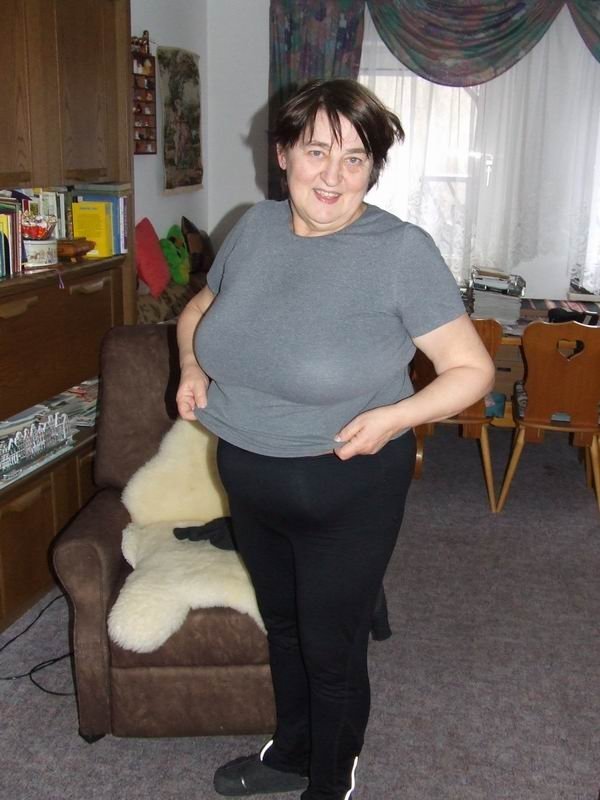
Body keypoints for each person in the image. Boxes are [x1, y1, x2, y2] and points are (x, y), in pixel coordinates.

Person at [176, 78, 495, 800]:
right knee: (284, 627)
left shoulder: (400, 251)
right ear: (283, 154)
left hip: (347, 485)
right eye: (317, 151)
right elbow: (199, 309)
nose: (333, 174)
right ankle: (291, 753)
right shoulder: (253, 228)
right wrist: (193, 365)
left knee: (331, 646)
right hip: (250, 478)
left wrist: (395, 417)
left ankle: (329, 780)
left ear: (372, 169)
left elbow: (471, 370)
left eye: (355, 158)